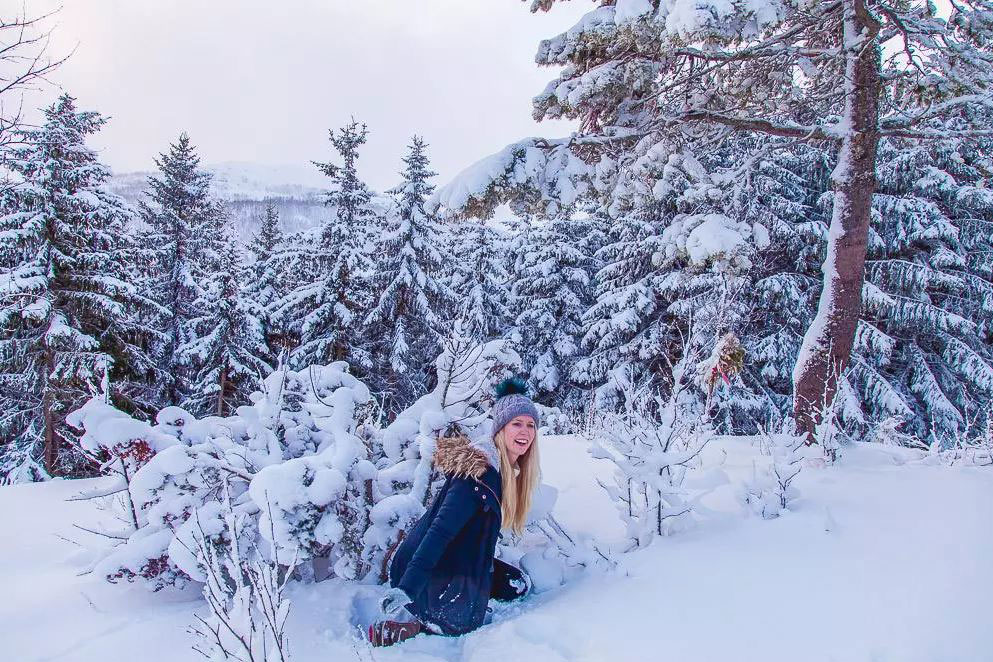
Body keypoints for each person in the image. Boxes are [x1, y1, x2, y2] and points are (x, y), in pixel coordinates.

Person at [367, 378, 541, 646]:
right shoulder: (479, 473)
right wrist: (407, 588)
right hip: (429, 567)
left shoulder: (505, 471)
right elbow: (440, 532)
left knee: (516, 584)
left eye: (530, 424)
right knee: (465, 619)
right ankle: (411, 628)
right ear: (500, 430)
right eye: (516, 423)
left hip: (458, 559)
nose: (525, 431)